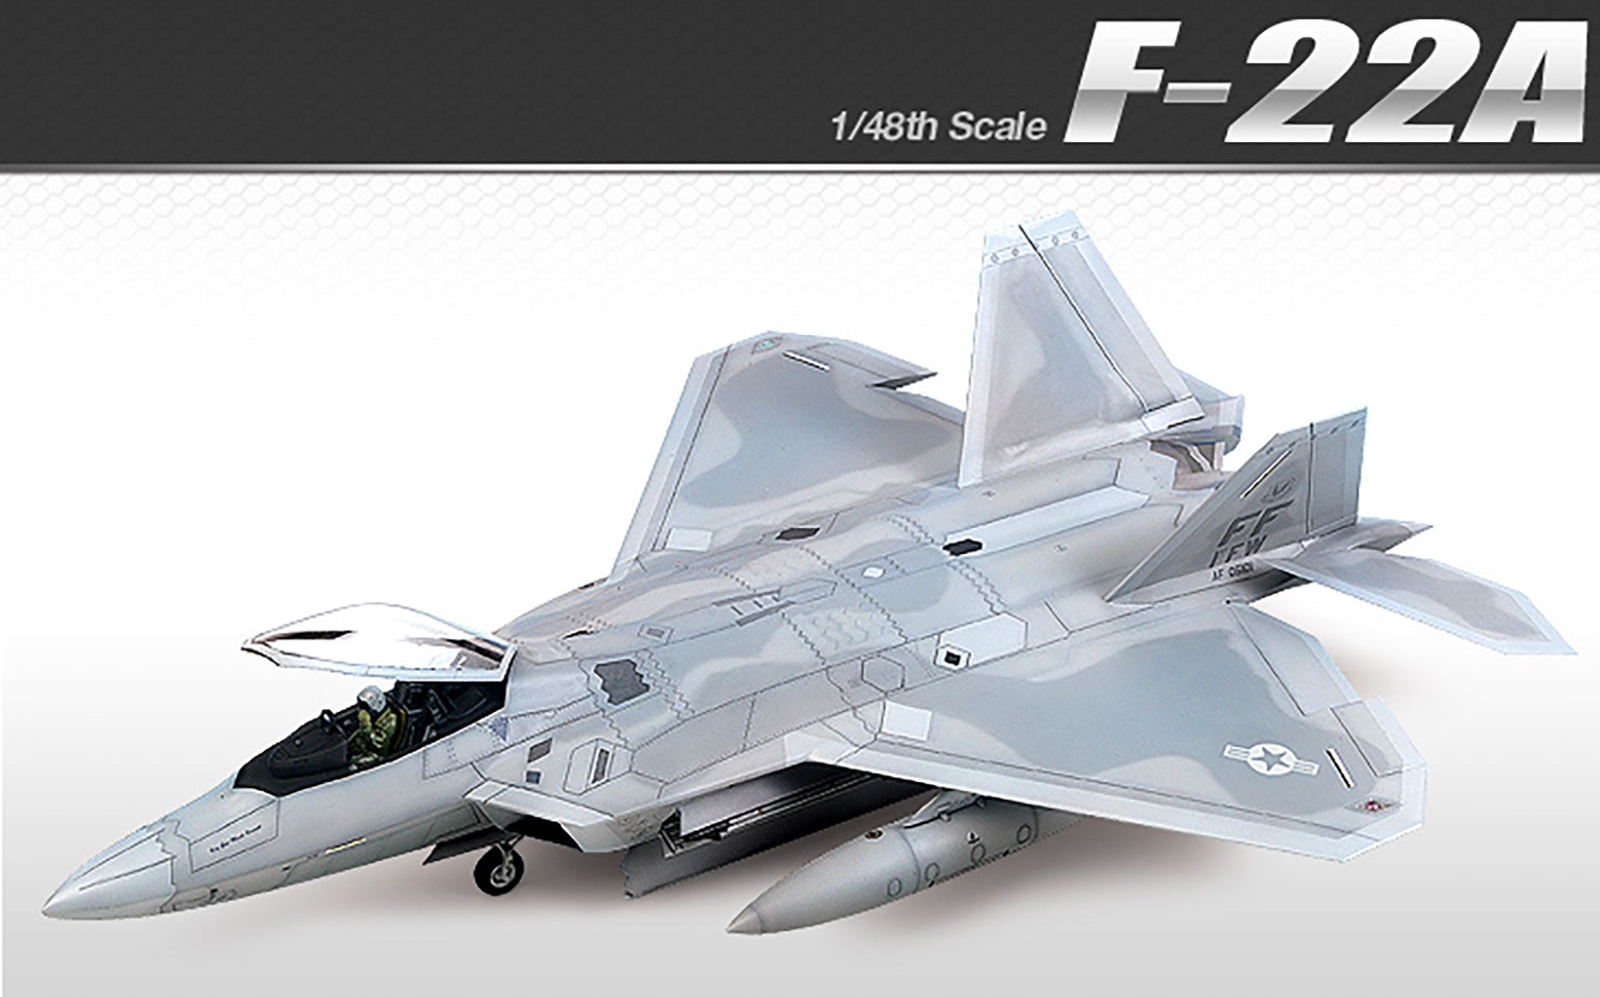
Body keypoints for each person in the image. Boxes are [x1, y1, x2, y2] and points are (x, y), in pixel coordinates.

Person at [348, 685, 399, 768]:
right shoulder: (375, 717)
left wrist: (366, 726)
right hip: (365, 743)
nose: (363, 712)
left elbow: (379, 745)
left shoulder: (389, 722)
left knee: (353, 762)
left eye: (366, 707)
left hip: (377, 754)